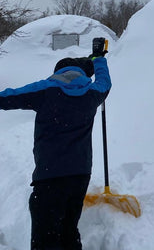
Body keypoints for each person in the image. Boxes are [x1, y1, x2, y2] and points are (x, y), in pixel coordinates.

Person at [0, 41, 111, 250]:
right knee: (69, 231)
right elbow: (105, 82)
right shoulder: (92, 93)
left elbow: (8, 97)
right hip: (80, 176)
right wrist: (99, 59)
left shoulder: (45, 89)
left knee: (46, 238)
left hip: (50, 177)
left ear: (58, 71)